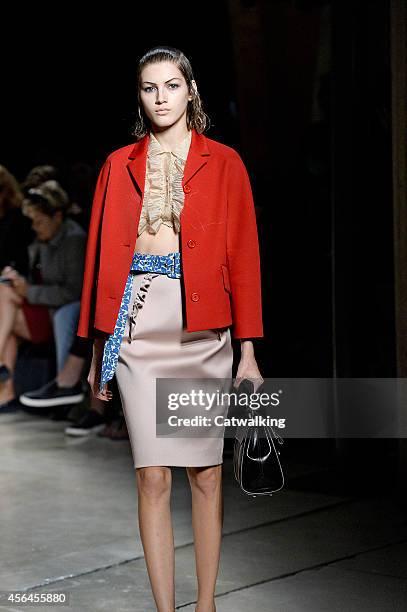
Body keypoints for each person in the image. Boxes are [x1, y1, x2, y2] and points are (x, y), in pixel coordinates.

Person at [77, 46, 264, 612]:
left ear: (191, 91)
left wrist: (249, 351)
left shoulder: (224, 162)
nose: (160, 97)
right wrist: (98, 346)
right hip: (138, 324)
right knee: (152, 476)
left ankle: (205, 603)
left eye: (170, 86)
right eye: (148, 87)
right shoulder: (119, 164)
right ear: (139, 96)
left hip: (201, 328)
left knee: (205, 473)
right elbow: (100, 256)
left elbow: (244, 257)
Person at [0, 180, 86, 409]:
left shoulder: (74, 240)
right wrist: (20, 280)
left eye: (39, 221)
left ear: (57, 216)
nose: (35, 227)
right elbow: (39, 278)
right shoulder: (42, 240)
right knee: (5, 294)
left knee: (5, 305)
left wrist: (28, 290)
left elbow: (72, 292)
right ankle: (6, 393)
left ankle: (6, 393)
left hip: (61, 309)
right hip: (44, 306)